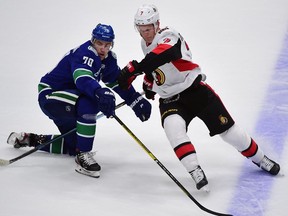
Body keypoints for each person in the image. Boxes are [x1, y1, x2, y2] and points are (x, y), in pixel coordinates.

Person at [117, 4, 281, 191]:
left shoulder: (169, 35)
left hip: (195, 91)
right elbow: (157, 68)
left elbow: (165, 54)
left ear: (157, 24)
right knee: (173, 128)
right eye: (141, 30)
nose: (145, 34)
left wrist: (137, 69)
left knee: (229, 132)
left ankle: (261, 159)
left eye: (148, 29)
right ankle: (195, 170)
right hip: (171, 99)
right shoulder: (143, 44)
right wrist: (150, 83)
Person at [7, 23, 152, 178]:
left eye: (107, 45)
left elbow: (116, 83)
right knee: (89, 103)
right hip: (51, 94)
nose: (103, 48)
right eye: (99, 43)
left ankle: (29, 139)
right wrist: (99, 92)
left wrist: (135, 100)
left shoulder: (108, 59)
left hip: (70, 98)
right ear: (92, 41)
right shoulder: (84, 53)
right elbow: (82, 79)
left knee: (73, 145)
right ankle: (83, 156)